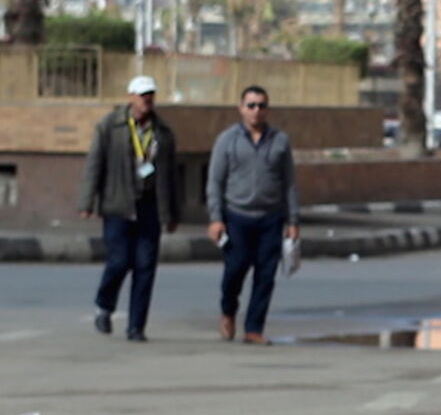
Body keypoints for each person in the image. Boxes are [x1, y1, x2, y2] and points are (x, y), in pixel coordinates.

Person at [77, 75, 181, 342]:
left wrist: (172, 214)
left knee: (146, 266)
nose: (147, 99)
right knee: (119, 261)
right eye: (142, 94)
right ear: (131, 97)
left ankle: (136, 326)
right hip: (118, 205)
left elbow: (171, 176)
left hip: (149, 207)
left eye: (151, 95)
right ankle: (104, 305)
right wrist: (87, 202)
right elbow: (94, 165)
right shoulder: (110, 126)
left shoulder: (163, 132)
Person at [205, 86, 300, 345]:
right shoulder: (228, 140)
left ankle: (254, 328)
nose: (256, 110)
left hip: (270, 218)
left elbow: (289, 182)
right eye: (251, 105)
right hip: (237, 216)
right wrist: (216, 218)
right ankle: (228, 311)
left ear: (267, 109)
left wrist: (293, 220)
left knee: (265, 276)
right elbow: (215, 182)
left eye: (261, 105)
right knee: (235, 271)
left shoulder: (280, 141)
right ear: (241, 108)